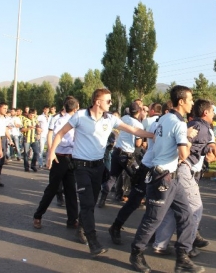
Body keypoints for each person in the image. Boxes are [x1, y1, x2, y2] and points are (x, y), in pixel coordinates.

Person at [47, 88, 153, 256]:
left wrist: (153, 135)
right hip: (81, 167)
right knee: (88, 203)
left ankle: (81, 228)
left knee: (91, 201)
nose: (110, 104)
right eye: (108, 101)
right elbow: (60, 133)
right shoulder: (80, 116)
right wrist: (51, 152)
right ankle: (93, 241)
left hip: (98, 167)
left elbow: (133, 130)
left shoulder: (110, 119)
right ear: (98, 102)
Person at [129, 85, 203, 273]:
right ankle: (136, 253)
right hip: (162, 178)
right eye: (190, 99)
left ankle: (182, 258)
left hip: (172, 177)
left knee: (186, 215)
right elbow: (184, 155)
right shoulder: (179, 124)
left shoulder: (165, 118)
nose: (192, 103)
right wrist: (189, 138)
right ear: (181, 102)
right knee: (153, 219)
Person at [153, 99, 216, 257]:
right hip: (184, 170)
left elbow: (203, 145)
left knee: (172, 209)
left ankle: (160, 244)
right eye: (213, 112)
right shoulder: (200, 127)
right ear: (206, 112)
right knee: (195, 208)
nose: (214, 115)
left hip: (178, 170)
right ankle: (186, 246)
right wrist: (187, 155)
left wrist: (208, 150)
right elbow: (186, 144)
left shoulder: (192, 125)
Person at [107, 102, 168, 245]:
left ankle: (153, 234)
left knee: (160, 204)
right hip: (148, 167)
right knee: (135, 201)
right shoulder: (155, 123)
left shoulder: (163, 123)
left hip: (159, 169)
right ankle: (116, 226)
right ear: (166, 112)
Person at [33, 97, 79, 230]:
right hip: (59, 158)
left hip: (71, 158)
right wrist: (50, 153)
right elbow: (57, 136)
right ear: (75, 108)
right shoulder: (59, 120)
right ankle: (38, 216)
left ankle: (72, 220)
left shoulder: (76, 120)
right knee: (52, 189)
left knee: (71, 191)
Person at [99, 101, 144, 205]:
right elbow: (138, 144)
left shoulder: (123, 118)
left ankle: (103, 198)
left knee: (113, 177)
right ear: (138, 111)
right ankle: (134, 200)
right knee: (136, 176)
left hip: (116, 152)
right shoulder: (138, 125)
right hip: (127, 156)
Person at [0, 102, 14, 188]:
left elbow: (6, 130)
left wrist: (10, 139)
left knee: (1, 161)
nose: (5, 110)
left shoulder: (5, 118)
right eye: (4, 108)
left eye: (6, 108)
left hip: (3, 139)